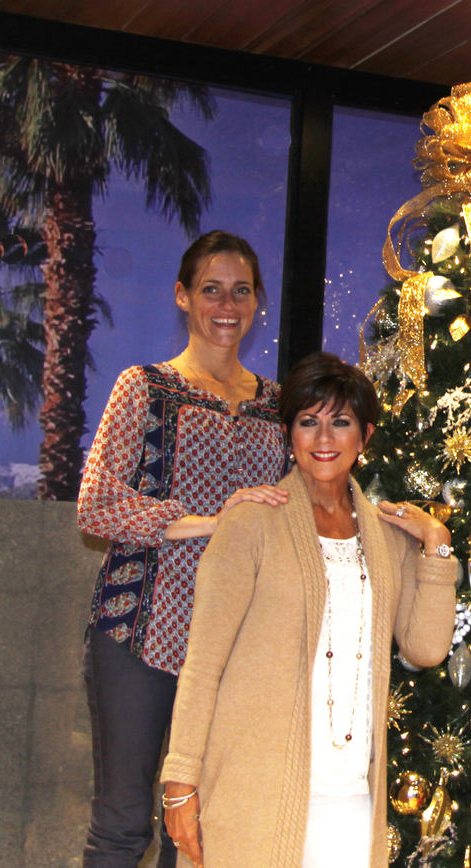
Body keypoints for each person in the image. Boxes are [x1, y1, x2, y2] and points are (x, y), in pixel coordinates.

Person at [160, 351, 458, 868]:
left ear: (364, 437)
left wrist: (436, 542)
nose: (324, 438)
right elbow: (203, 664)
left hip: (352, 798)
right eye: (307, 421)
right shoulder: (250, 523)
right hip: (254, 794)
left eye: (340, 422)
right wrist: (180, 782)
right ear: (288, 433)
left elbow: (427, 648)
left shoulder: (388, 536)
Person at [77, 231, 290, 867]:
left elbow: (307, 503)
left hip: (234, 643)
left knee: (201, 829)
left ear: (258, 302)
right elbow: (95, 505)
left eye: (241, 291)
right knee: (122, 824)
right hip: (140, 632)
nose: (227, 305)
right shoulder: (143, 387)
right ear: (182, 296)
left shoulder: (280, 406)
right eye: (211, 289)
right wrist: (207, 523)